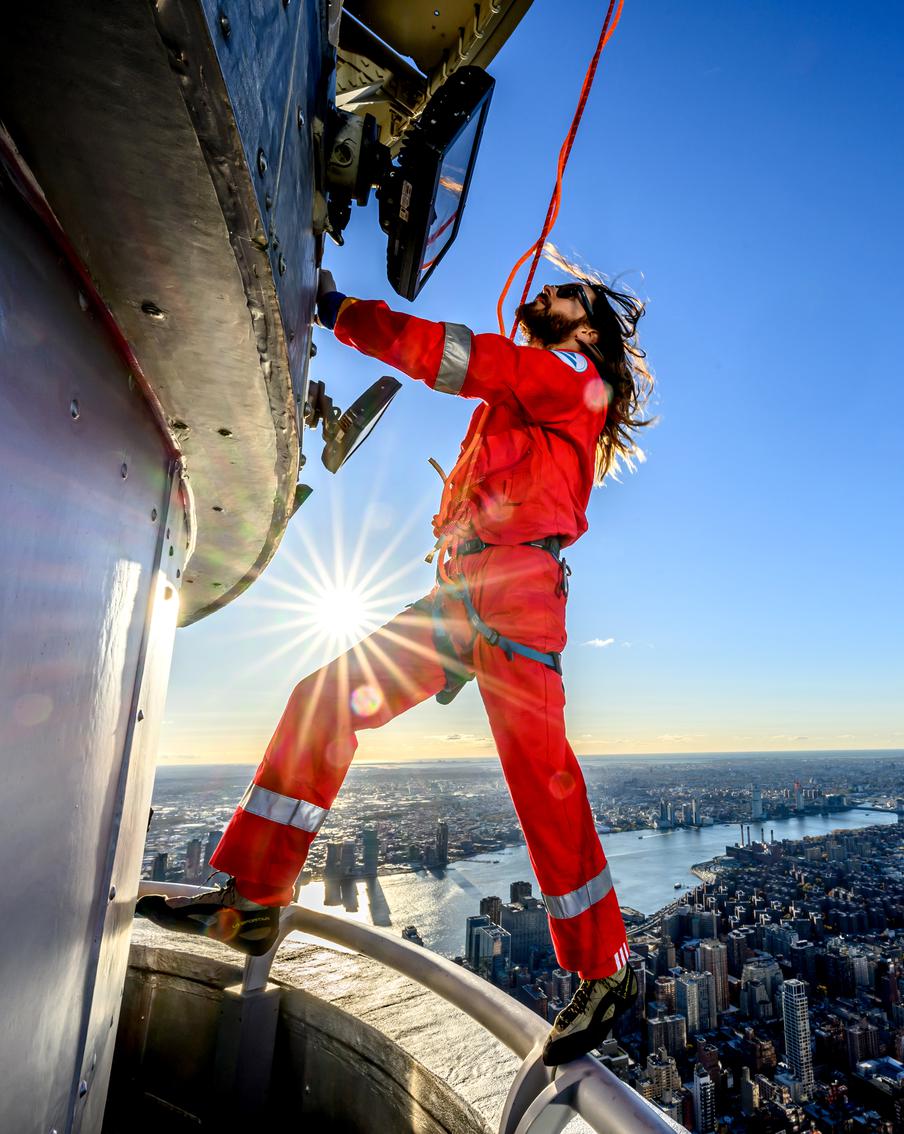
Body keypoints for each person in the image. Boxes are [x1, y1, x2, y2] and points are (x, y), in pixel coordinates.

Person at [138, 272, 654, 1065]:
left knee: (541, 776)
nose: (545, 295)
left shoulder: (568, 377)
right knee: (326, 697)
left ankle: (603, 968)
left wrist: (345, 315)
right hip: (467, 591)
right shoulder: (531, 396)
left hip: (516, 593)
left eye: (564, 297)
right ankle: (257, 898)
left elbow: (458, 357)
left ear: (586, 333)